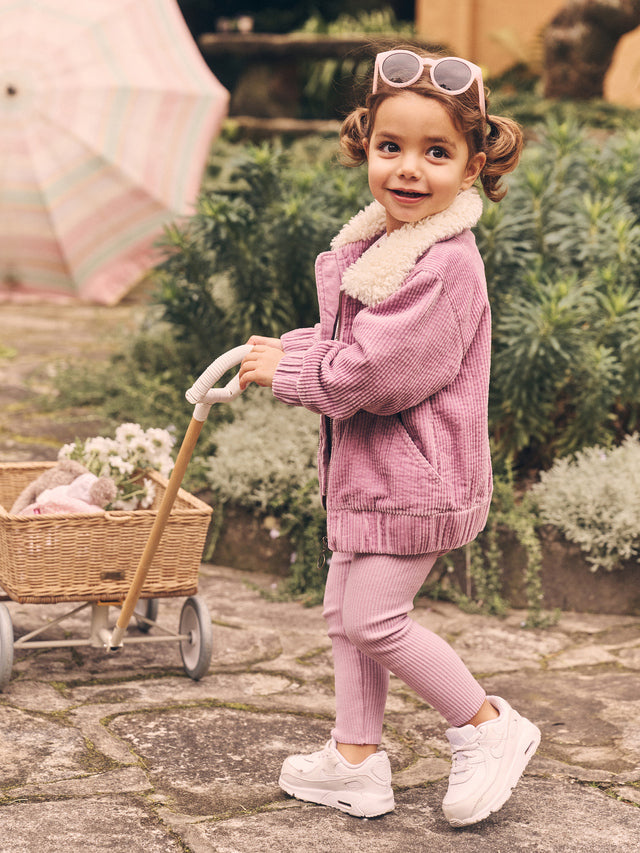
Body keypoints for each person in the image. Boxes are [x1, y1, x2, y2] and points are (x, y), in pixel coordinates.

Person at [238, 47, 540, 827]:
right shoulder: (384, 246)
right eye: (391, 147)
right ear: (366, 146)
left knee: (375, 618)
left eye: (436, 152)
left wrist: (294, 367)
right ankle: (356, 759)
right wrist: (292, 349)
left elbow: (376, 373)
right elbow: (360, 342)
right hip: (376, 474)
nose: (409, 169)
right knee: (345, 614)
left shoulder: (443, 263)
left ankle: (487, 725)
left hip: (417, 478)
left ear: (472, 167)